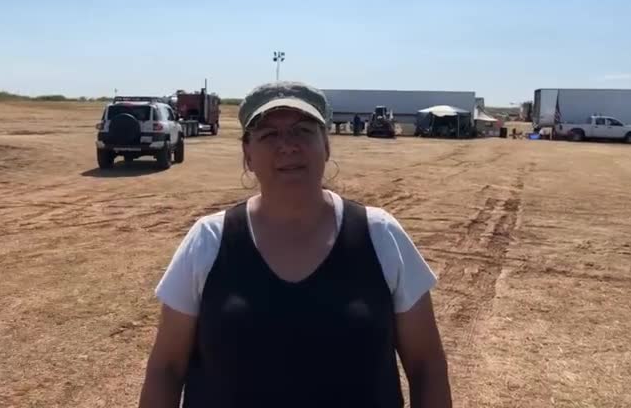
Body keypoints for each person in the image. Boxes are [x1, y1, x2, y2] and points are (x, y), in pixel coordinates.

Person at [138, 82, 451, 408]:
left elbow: (426, 365)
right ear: (247, 154)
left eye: (302, 130)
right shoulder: (209, 241)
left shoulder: (381, 235)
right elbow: (167, 368)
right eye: (269, 135)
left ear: (326, 145)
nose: (287, 146)